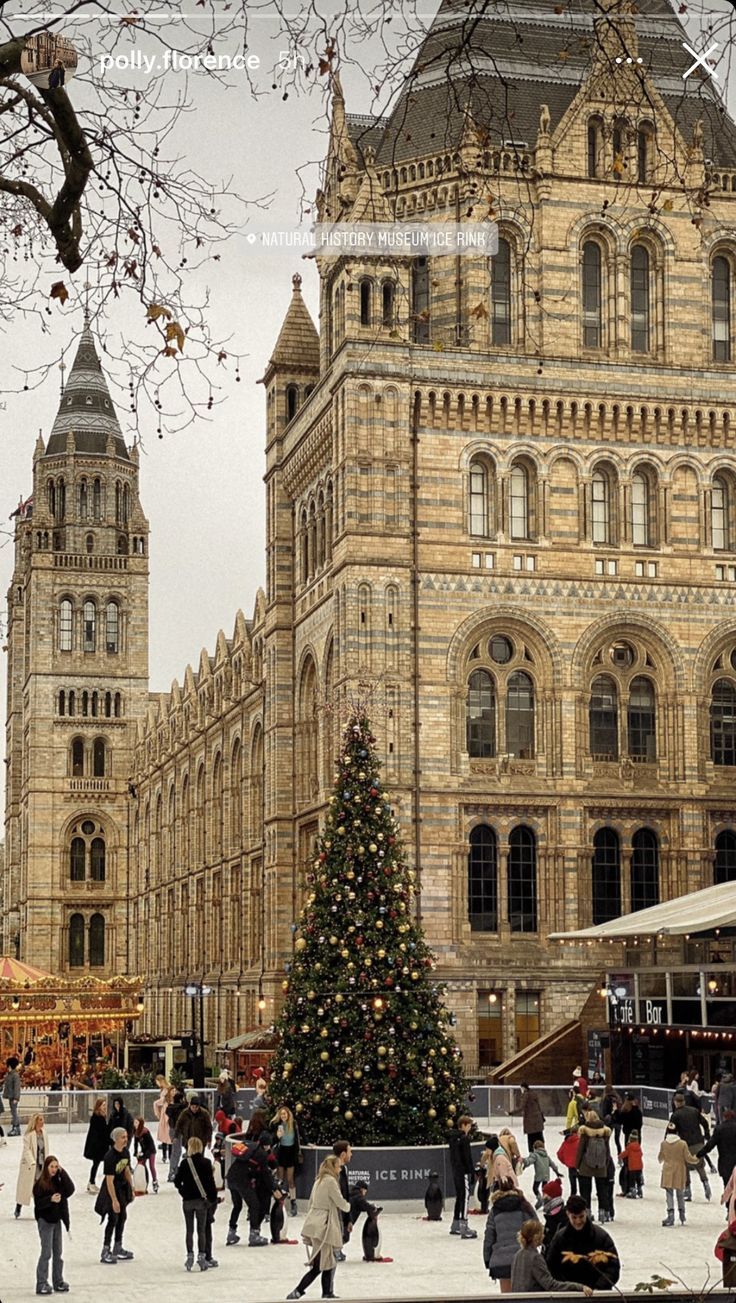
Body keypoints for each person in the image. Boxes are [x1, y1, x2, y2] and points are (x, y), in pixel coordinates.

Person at [286, 1154, 350, 1300]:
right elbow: (340, 1201)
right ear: (333, 1167)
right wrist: (348, 1207)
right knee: (321, 1265)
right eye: (338, 1166)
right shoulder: (331, 1182)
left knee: (326, 1262)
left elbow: (311, 1203)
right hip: (324, 1226)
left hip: (315, 1223)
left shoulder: (319, 1181)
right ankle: (300, 1291)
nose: (340, 1169)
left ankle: (325, 1292)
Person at [546, 1194, 621, 1289]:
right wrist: (568, 1287)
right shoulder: (559, 1239)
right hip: (568, 1294)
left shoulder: (602, 1237)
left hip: (597, 1295)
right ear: (567, 1214)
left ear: (586, 1212)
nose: (578, 1221)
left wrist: (599, 1287)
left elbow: (613, 1267)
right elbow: (551, 1267)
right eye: (574, 1217)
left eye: (581, 1217)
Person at [225, 1129, 282, 1246]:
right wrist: (274, 1188)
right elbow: (266, 1174)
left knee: (237, 1206)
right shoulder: (261, 1154)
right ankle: (254, 1234)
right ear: (267, 1145)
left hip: (231, 1178)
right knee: (254, 1205)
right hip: (242, 1181)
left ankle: (231, 1232)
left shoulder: (250, 1146)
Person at [482, 1177, 538, 1294]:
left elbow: (489, 1236)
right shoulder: (524, 1205)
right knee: (524, 1296)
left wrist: (487, 1259)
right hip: (524, 1258)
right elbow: (536, 1227)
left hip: (502, 1261)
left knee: (507, 1297)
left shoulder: (495, 1210)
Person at [510, 1218, 592, 1294]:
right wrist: (578, 1287)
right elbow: (550, 1285)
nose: (544, 1236)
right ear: (536, 1237)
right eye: (542, 1234)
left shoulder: (517, 1255)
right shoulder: (535, 1258)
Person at [174, 1136, 219, 1271]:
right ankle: (202, 1257)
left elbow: (177, 1182)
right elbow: (211, 1185)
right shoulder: (206, 1163)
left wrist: (184, 1193)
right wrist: (212, 1199)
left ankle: (189, 1255)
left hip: (187, 1201)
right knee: (201, 1231)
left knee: (189, 1230)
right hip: (201, 1201)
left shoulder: (184, 1163)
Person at [33, 1155, 74, 1296]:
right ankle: (41, 1283)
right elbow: (38, 1205)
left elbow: (70, 1190)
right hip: (45, 1221)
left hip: (56, 1221)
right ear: (46, 1167)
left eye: (56, 1167)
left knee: (58, 1252)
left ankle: (58, 1281)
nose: (54, 1170)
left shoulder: (59, 1182)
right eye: (52, 1167)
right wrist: (50, 1199)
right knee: (46, 1253)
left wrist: (63, 1172)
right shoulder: (40, 1184)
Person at [95, 1126, 135, 1264]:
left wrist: (132, 1188)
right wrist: (114, 1200)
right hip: (112, 1190)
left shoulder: (126, 1152)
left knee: (122, 1217)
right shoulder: (110, 1157)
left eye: (126, 1137)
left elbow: (126, 1170)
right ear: (116, 1139)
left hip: (122, 1189)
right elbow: (109, 1181)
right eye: (123, 1137)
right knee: (113, 1219)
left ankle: (118, 1246)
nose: (126, 1140)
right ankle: (106, 1250)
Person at [659, 1119, 701, 1226]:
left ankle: (670, 1215)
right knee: (680, 1193)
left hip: (668, 1170)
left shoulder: (664, 1144)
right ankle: (682, 1214)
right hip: (679, 1170)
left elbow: (660, 1158)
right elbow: (688, 1158)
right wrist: (696, 1159)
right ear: (677, 1132)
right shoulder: (682, 1144)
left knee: (669, 1193)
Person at [671, 1090, 711, 1201]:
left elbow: (671, 1132)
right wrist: (706, 1133)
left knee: (685, 1167)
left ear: (676, 1102)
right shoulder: (694, 1111)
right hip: (699, 1143)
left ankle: (687, 1191)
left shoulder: (675, 1115)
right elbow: (705, 1122)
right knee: (699, 1166)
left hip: (686, 1145)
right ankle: (706, 1184)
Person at [575, 1109, 613, 1222]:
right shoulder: (604, 1132)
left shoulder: (584, 1132)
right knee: (602, 1190)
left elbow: (580, 1150)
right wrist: (605, 1164)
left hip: (586, 1166)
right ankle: (603, 1213)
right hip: (601, 1166)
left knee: (585, 1191)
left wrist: (577, 1165)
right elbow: (607, 1151)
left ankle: (587, 1213)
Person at [448, 1114, 478, 1239]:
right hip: (463, 1172)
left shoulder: (453, 1139)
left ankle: (455, 1224)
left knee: (459, 1196)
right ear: (463, 1125)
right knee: (465, 1197)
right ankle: (464, 1226)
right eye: (469, 1125)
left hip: (456, 1171)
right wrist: (471, 1172)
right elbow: (467, 1157)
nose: (470, 1128)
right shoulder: (464, 1139)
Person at [16, 1113, 48, 1219]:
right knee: (26, 1188)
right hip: (30, 1166)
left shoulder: (44, 1134)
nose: (42, 1122)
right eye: (40, 1120)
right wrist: (32, 1161)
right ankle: (19, 1206)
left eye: (43, 1120)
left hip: (41, 1164)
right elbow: (27, 1150)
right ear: (36, 1122)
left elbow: (45, 1149)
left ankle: (39, 1208)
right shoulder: (29, 1136)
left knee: (39, 1188)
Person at [273, 1104, 301, 1215]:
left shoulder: (294, 1124)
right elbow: (273, 1140)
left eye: (285, 1114)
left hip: (291, 1154)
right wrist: (277, 1136)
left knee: (290, 1179)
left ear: (288, 1114)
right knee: (280, 1179)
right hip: (281, 1153)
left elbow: (300, 1135)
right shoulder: (277, 1125)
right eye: (281, 1114)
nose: (283, 1116)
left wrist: (307, 1142)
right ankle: (278, 1202)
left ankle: (293, 1202)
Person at [701, 1107, 736, 1190]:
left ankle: (728, 1202)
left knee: (727, 1187)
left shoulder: (719, 1129)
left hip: (725, 1164)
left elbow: (710, 1145)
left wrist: (700, 1153)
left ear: (724, 1117)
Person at [521, 1138, 562, 1207]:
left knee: (535, 1188)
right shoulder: (546, 1156)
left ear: (535, 1147)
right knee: (544, 1189)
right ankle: (545, 1202)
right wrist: (557, 1172)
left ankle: (540, 1198)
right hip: (546, 1175)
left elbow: (529, 1161)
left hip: (539, 1175)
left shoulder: (535, 1155)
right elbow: (552, 1164)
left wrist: (524, 1161)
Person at [509, 1082, 545, 1151]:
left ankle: (532, 1155)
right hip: (538, 1121)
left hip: (530, 1123)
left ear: (523, 1088)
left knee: (531, 1140)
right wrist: (542, 1117)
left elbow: (521, 1107)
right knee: (539, 1138)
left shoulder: (525, 1095)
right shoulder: (534, 1094)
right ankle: (542, 1153)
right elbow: (539, 1107)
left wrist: (511, 1113)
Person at [332, 1139, 352, 1259]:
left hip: (343, 1207)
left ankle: (337, 1248)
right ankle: (334, 1250)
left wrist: (348, 1218)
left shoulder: (344, 1169)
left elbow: (346, 1193)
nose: (351, 1154)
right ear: (343, 1154)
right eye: (350, 1151)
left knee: (345, 1234)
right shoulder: (333, 1171)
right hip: (335, 1208)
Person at [83, 1098, 108, 1193]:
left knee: (96, 1164)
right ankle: (91, 1182)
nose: (105, 1107)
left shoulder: (101, 1117)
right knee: (96, 1164)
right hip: (97, 1146)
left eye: (105, 1105)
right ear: (98, 1107)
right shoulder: (97, 1118)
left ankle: (91, 1182)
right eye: (103, 1105)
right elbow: (100, 1132)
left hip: (99, 1145)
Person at [132, 1116, 158, 1192]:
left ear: (141, 1123)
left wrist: (144, 1154)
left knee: (151, 1166)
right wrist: (136, 1152)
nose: (135, 1124)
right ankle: (144, 1183)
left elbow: (150, 1144)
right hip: (144, 1150)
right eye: (134, 1122)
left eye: (137, 1122)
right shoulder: (136, 1131)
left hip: (151, 1150)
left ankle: (155, 1181)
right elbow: (135, 1143)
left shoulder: (145, 1132)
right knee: (142, 1166)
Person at [618, 1128, 644, 1198]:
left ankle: (632, 1192)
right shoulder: (638, 1147)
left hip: (632, 1167)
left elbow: (624, 1154)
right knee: (638, 1179)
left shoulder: (629, 1147)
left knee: (632, 1180)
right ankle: (640, 1190)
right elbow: (641, 1154)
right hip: (639, 1167)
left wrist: (619, 1156)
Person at [153, 1076, 172, 1163]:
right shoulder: (164, 1089)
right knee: (165, 1134)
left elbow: (162, 1101)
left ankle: (168, 1155)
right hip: (165, 1112)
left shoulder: (167, 1089)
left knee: (167, 1134)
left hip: (167, 1113)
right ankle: (166, 1155)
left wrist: (155, 1104)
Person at [557, 1127, 579, 1196]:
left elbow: (559, 1153)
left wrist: (566, 1161)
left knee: (573, 1186)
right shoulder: (580, 1141)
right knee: (583, 1186)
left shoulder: (566, 1142)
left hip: (570, 1167)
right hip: (580, 1166)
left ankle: (573, 1196)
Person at [3, 1056, 22, 1135]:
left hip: (13, 1097)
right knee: (13, 1112)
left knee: (14, 1112)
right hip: (11, 1096)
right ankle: (15, 1127)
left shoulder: (15, 1075)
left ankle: (16, 1127)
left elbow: (17, 1087)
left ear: (9, 1065)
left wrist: (16, 1098)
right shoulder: (10, 1075)